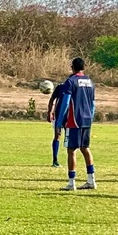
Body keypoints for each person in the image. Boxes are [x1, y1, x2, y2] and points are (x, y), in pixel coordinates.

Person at [57, 57, 96, 191]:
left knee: (71, 150)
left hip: (74, 120)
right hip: (87, 119)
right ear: (84, 67)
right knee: (85, 149)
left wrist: (59, 120)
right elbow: (93, 104)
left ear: (72, 67)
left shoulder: (71, 81)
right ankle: (91, 180)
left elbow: (66, 102)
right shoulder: (90, 82)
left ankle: (71, 182)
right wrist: (90, 117)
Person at [46, 81, 67, 167]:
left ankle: (71, 160)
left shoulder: (75, 87)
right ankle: (55, 160)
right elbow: (52, 99)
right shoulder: (60, 87)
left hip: (70, 117)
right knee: (57, 136)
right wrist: (49, 113)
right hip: (58, 116)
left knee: (69, 138)